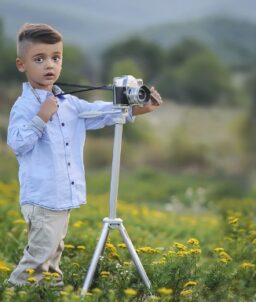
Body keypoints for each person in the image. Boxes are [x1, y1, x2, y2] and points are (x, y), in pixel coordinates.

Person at [7, 23, 161, 286]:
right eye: (39, 59)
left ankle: (50, 290)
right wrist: (41, 118)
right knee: (39, 255)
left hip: (62, 196)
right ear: (22, 65)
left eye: (56, 58)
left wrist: (138, 109)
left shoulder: (70, 103)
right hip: (43, 197)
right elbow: (17, 143)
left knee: (53, 252)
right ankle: (16, 291)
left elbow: (99, 112)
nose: (49, 65)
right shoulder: (25, 106)